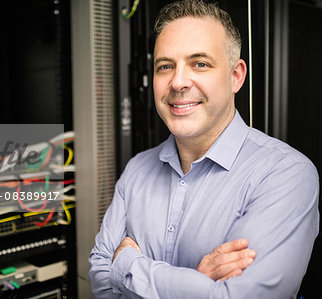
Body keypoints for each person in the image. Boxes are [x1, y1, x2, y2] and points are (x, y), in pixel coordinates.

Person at [88, 0, 320, 298]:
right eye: (165, 66)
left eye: (200, 63)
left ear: (236, 76)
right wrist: (196, 283)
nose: (178, 81)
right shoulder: (137, 170)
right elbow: (101, 282)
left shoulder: (285, 175)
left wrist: (128, 265)